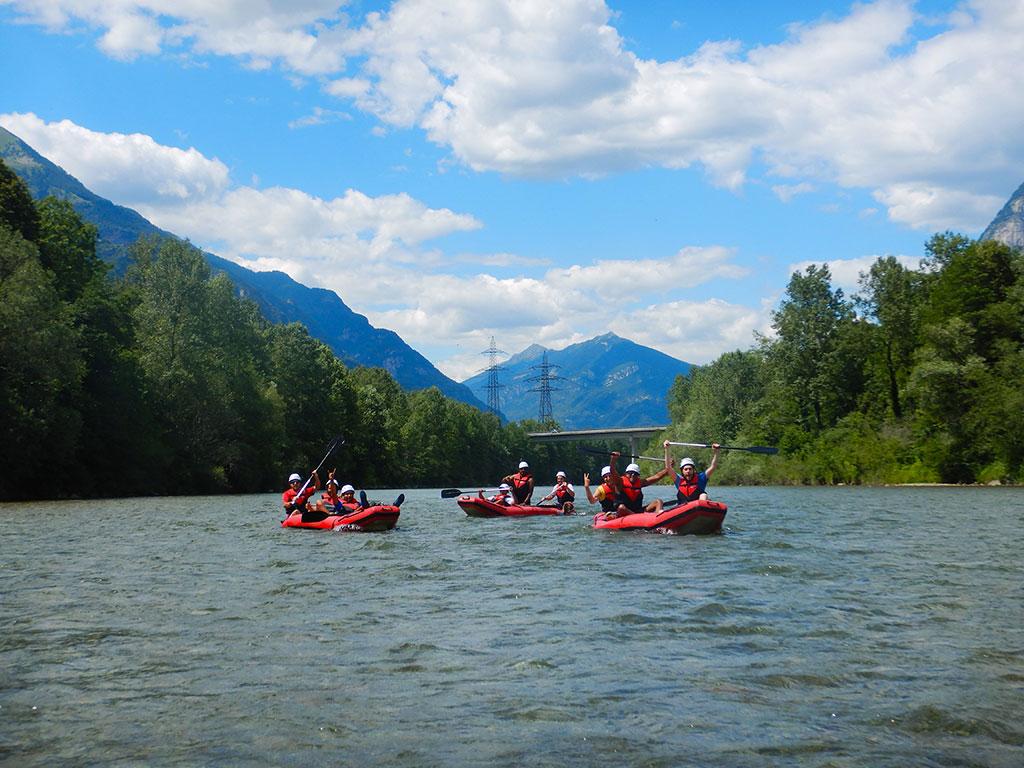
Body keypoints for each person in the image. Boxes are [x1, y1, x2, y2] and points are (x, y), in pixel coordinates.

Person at [609, 447, 670, 517]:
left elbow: (657, 476)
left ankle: (659, 518)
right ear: (626, 474)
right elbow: (612, 471)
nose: (632, 475)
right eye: (630, 473)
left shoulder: (640, 483)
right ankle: (639, 518)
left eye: (635, 474)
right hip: (624, 513)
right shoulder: (620, 482)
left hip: (638, 511)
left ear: (638, 476)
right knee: (621, 507)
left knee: (658, 502)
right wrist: (613, 459)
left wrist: (668, 467)